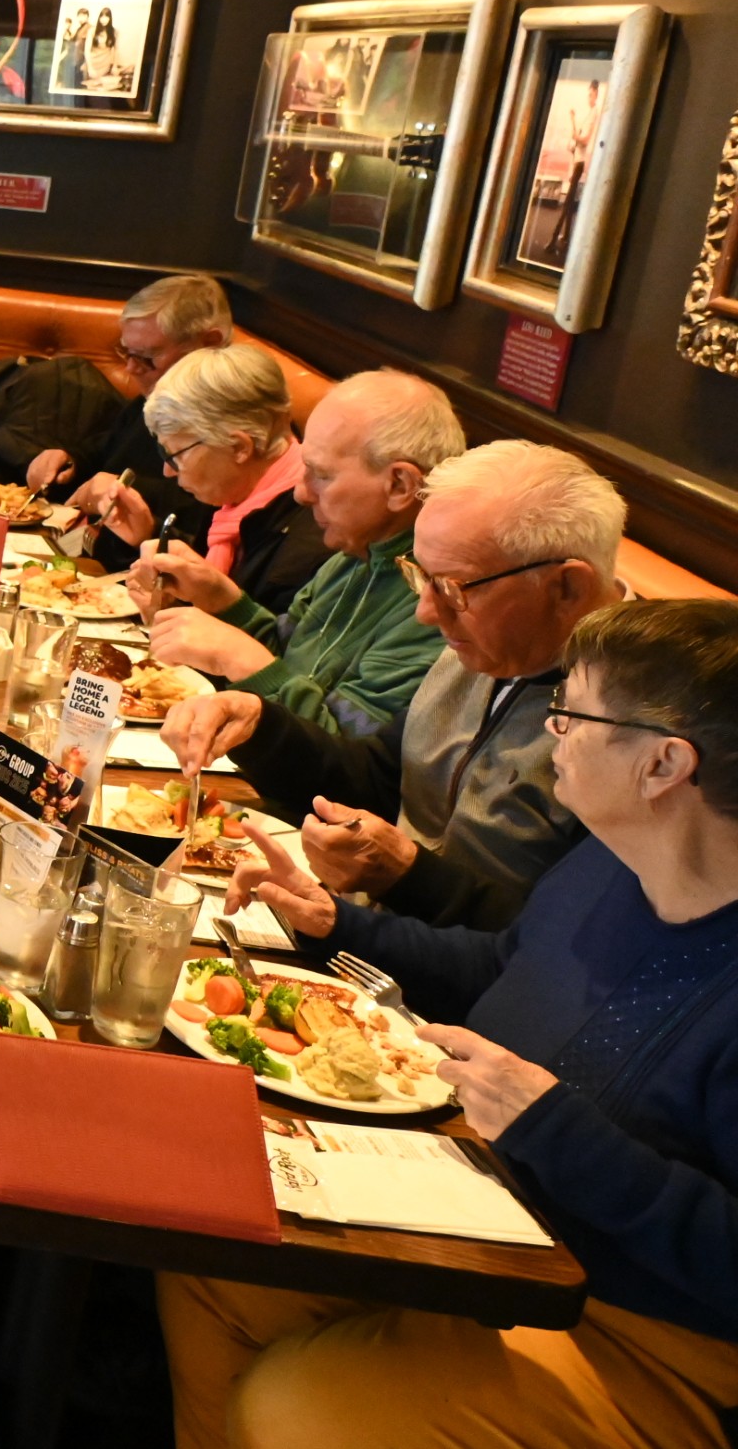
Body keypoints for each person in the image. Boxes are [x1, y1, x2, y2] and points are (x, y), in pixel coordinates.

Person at [165, 598, 738, 1449]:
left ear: (663, 764)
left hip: (645, 1334)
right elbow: (505, 969)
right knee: (211, 1258)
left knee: (296, 1410)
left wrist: (556, 1130)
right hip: (494, 1220)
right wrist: (336, 924)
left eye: (572, 713)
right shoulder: (608, 863)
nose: (552, 733)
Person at [163, 440, 631, 931]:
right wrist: (260, 726)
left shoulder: (635, 728)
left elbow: (559, 946)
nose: (425, 613)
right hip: (369, 932)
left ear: (567, 588)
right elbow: (385, 778)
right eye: (420, 577)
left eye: (451, 588)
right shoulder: (487, 645)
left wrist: (406, 878)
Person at [132, 369, 462, 738]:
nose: (301, 493)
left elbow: (350, 758)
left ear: (399, 485)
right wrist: (221, 599)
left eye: (321, 474)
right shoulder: (352, 555)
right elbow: (287, 658)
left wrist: (239, 658)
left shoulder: (440, 605)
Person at [68, 343, 332, 615]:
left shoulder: (313, 543)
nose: (167, 471)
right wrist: (145, 537)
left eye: (175, 455)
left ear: (240, 447)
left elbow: (265, 649)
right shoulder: (236, 498)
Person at [27, 273, 233, 539]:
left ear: (210, 344)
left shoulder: (233, 419)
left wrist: (121, 490)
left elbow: (202, 521)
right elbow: (107, 454)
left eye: (147, 357)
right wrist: (69, 463)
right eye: (126, 352)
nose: (131, 368)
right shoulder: (153, 398)